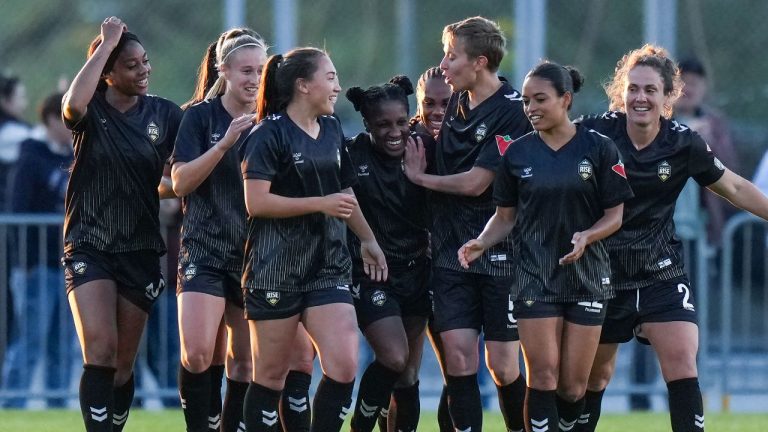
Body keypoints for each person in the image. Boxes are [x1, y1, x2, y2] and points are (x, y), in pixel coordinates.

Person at [574, 44, 768, 432]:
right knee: (593, 379)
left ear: (668, 97)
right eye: (633, 89)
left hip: (661, 270)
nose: (640, 98)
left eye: (649, 90)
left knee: (682, 361)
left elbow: (735, 187)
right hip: (602, 272)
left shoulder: (683, 143)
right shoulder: (595, 132)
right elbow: (546, 151)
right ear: (622, 92)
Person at [459, 61, 632, 432]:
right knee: (543, 375)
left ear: (565, 99)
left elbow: (615, 215)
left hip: (587, 276)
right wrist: (481, 242)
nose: (531, 108)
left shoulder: (600, 148)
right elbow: (505, 217)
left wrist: (588, 236)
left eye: (540, 99)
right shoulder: (517, 154)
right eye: (525, 101)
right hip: (534, 276)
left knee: (571, 388)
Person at [240, 47, 388, 432]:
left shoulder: (333, 128)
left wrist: (368, 240)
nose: (337, 86)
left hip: (328, 265)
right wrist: (319, 203)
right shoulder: (267, 134)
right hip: (275, 270)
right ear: (303, 86)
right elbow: (256, 202)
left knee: (343, 365)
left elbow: (345, 195)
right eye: (331, 77)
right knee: (270, 377)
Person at [403, 16, 531, 432]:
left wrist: (421, 179)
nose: (444, 64)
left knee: (503, 366)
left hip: (499, 252)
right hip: (448, 252)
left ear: (478, 62)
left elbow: (479, 183)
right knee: (458, 357)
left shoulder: (513, 111)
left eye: (451, 55)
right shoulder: (456, 102)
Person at [61, 17, 182, 432]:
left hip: (140, 249)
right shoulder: (90, 111)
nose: (144, 70)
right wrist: (107, 41)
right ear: (107, 73)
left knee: (122, 368)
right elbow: (71, 105)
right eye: (131, 65)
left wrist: (162, 188)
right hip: (89, 243)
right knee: (100, 350)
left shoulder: (165, 114)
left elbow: (175, 179)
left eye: (145, 62)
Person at [171, 29, 266, 432]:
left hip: (253, 254)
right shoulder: (199, 116)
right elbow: (179, 183)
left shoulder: (272, 120)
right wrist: (224, 144)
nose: (254, 79)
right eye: (246, 70)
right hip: (204, 249)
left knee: (243, 361)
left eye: (261, 70)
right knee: (196, 353)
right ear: (223, 70)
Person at [344, 76, 433, 432]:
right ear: (367, 125)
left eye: (401, 122)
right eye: (383, 124)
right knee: (393, 357)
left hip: (418, 272)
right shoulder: (351, 153)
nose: (394, 132)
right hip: (374, 276)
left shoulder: (423, 150)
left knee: (408, 373)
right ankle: (360, 426)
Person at [1, 92, 76, 408]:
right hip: (37, 267)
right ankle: (12, 404)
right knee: (32, 339)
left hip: (69, 265)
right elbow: (18, 211)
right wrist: (26, 262)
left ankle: (57, 405)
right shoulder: (31, 157)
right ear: (50, 119)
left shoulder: (72, 157)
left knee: (63, 344)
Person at [675, 57, 739, 245]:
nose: (688, 88)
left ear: (704, 87)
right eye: (682, 82)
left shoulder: (715, 123)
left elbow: (731, 168)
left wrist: (710, 145)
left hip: (701, 224)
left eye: (694, 83)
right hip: (663, 223)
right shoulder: (657, 120)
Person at [0, 72, 32, 211]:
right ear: (5, 101)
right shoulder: (7, 131)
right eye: (21, 97)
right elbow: (39, 136)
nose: (24, 103)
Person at [409, 66, 451, 139]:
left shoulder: (468, 140)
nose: (438, 112)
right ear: (419, 103)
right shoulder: (404, 141)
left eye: (446, 104)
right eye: (429, 103)